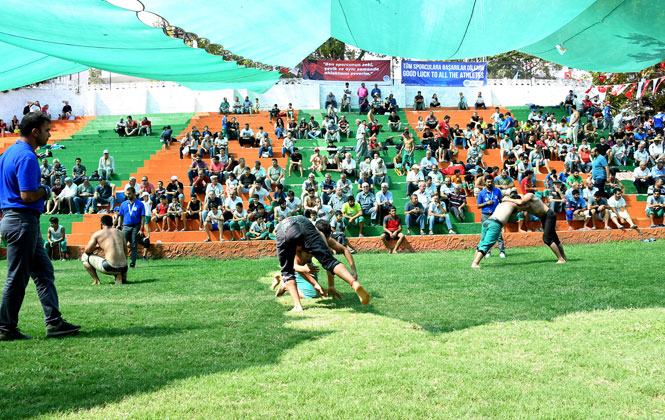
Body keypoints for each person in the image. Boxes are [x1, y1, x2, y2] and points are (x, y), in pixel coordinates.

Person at [0, 112, 81, 340]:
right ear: (35, 132)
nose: (49, 134)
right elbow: (27, 195)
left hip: (16, 219)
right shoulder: (26, 156)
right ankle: (5, 328)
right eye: (47, 130)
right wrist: (46, 191)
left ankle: (54, 322)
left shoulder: (8, 153)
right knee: (16, 278)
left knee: (44, 271)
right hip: (22, 220)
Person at [274, 216, 369, 311]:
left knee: (287, 272)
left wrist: (330, 285)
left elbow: (288, 269)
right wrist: (309, 275)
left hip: (285, 229)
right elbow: (327, 263)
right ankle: (354, 283)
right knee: (329, 261)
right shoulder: (318, 236)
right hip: (302, 226)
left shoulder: (321, 237)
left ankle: (298, 306)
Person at [81, 215, 128, 285]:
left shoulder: (98, 234)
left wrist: (97, 246)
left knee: (84, 257)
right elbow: (126, 252)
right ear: (112, 223)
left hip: (109, 267)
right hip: (124, 267)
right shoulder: (120, 233)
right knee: (115, 263)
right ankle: (119, 275)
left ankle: (96, 280)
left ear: (101, 224)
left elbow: (87, 251)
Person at [477, 176, 505, 258]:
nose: (490, 183)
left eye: (491, 182)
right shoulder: (481, 193)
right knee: (486, 234)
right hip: (485, 215)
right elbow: (478, 206)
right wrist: (486, 203)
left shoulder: (497, 190)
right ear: (485, 182)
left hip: (495, 215)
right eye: (488, 182)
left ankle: (502, 251)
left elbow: (502, 201)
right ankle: (487, 252)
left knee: (499, 233)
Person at [117, 186, 145, 268]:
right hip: (125, 226)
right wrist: (119, 225)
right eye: (127, 194)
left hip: (136, 226)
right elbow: (120, 216)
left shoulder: (140, 204)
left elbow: (143, 217)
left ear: (134, 193)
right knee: (123, 244)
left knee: (134, 244)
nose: (127, 195)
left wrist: (142, 229)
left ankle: (133, 262)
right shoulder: (124, 204)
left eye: (129, 194)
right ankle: (123, 261)